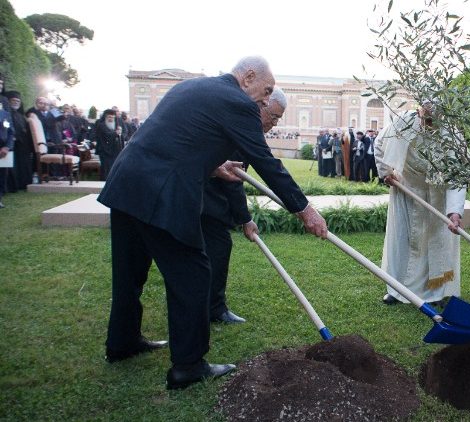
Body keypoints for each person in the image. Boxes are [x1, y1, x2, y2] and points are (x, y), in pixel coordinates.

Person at [97, 56, 328, 390]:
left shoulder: (192, 86)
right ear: (248, 76)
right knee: (193, 274)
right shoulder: (238, 102)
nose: (265, 100)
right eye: (265, 91)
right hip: (162, 193)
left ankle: (122, 343)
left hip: (127, 185)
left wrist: (212, 166)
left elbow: (177, 142)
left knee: (129, 272)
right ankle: (188, 367)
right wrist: (305, 210)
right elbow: (265, 160)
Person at [202, 87, 288, 325]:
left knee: (212, 250)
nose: (274, 123)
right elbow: (235, 181)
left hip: (210, 195)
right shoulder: (241, 125)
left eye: (278, 119)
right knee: (217, 248)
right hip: (204, 198)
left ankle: (211, 306)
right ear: (262, 105)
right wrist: (245, 219)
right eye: (274, 116)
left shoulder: (243, 124)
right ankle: (214, 309)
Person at [375, 103, 465, 306]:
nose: (429, 123)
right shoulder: (402, 123)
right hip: (406, 190)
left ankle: (438, 291)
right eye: (426, 118)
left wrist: (455, 212)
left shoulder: (452, 134)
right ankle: (396, 289)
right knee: (403, 242)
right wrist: (386, 172)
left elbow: (457, 177)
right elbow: (380, 144)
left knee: (436, 244)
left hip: (438, 196)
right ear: (419, 111)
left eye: (434, 120)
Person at [5, 91, 34, 190]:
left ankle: (22, 184)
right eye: (13, 100)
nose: (16, 102)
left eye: (18, 101)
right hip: (10, 143)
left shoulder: (21, 116)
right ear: (8, 101)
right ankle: (10, 187)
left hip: (22, 145)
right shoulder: (5, 113)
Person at [91, 109, 124, 180]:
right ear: (105, 117)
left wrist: (120, 133)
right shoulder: (101, 125)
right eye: (109, 117)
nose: (111, 119)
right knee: (105, 168)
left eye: (112, 117)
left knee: (112, 167)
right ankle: (104, 182)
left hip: (113, 151)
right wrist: (116, 133)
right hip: (104, 150)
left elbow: (119, 136)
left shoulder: (116, 125)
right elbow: (107, 135)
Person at [0, 102, 15, 208]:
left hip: (3, 150)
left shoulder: (5, 114)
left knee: (2, 176)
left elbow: (11, 132)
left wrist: (7, 147)